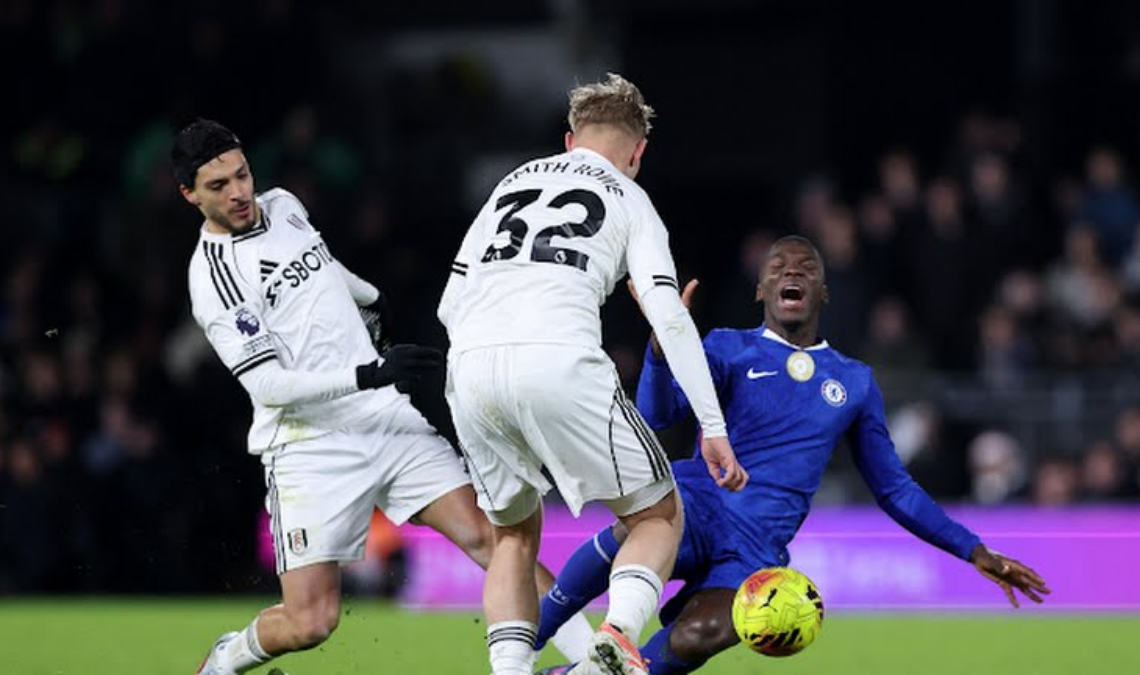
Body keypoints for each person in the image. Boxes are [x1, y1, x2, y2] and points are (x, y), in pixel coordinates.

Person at [173, 119, 592, 675]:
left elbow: (321, 268)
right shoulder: (214, 278)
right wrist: (368, 373)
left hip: (384, 416)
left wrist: (371, 296)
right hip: (310, 446)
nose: (239, 192)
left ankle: (599, 662)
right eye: (219, 186)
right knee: (311, 622)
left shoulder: (284, 204)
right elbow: (268, 386)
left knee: (496, 540)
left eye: (242, 175)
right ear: (190, 195)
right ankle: (226, 659)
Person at [535, 235, 1051, 675]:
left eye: (806, 269)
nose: (793, 273)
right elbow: (658, 413)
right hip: (694, 506)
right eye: (779, 267)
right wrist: (659, 346)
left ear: (822, 292)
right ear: (761, 290)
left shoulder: (853, 381)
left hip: (753, 551)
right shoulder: (725, 347)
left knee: (703, 634)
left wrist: (973, 550)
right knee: (636, 532)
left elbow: (893, 488)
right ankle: (527, 639)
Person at [437, 74, 748, 675]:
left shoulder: (511, 182)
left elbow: (450, 301)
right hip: (559, 359)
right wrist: (713, 424)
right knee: (658, 516)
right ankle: (617, 637)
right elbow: (669, 316)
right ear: (638, 153)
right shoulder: (632, 199)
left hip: (470, 364)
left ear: (568, 139)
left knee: (512, 536)